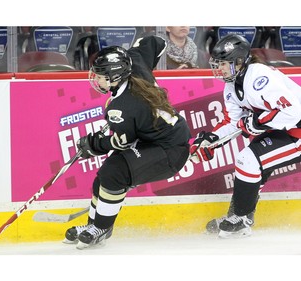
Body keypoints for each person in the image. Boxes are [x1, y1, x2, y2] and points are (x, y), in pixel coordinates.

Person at [64, 35, 191, 249]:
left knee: (115, 173)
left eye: (102, 77)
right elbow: (155, 41)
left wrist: (94, 145)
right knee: (103, 176)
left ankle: (102, 228)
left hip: (170, 150)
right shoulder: (134, 60)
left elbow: (121, 142)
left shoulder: (121, 107)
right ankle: (93, 225)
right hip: (156, 136)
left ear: (115, 76)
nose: (97, 81)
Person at [189, 34, 301, 238]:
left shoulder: (260, 78)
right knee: (252, 165)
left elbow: (294, 112)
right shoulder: (231, 85)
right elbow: (233, 122)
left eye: (224, 64)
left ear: (239, 62)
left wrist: (257, 123)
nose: (219, 69)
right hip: (284, 130)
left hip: (297, 130)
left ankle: (240, 218)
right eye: (218, 64)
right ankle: (239, 217)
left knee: (248, 159)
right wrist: (211, 140)